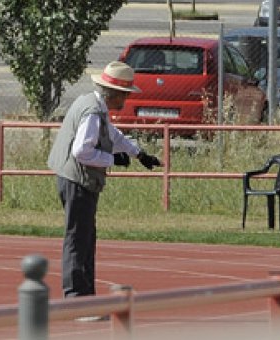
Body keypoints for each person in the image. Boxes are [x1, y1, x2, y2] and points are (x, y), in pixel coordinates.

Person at [48, 61, 162, 303]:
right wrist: (113, 159)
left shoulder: (94, 105)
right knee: (78, 238)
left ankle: (85, 295)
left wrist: (138, 154)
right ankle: (76, 296)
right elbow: (81, 151)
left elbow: (112, 134)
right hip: (77, 180)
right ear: (116, 94)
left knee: (86, 236)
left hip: (78, 179)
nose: (127, 100)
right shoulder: (92, 112)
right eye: (126, 94)